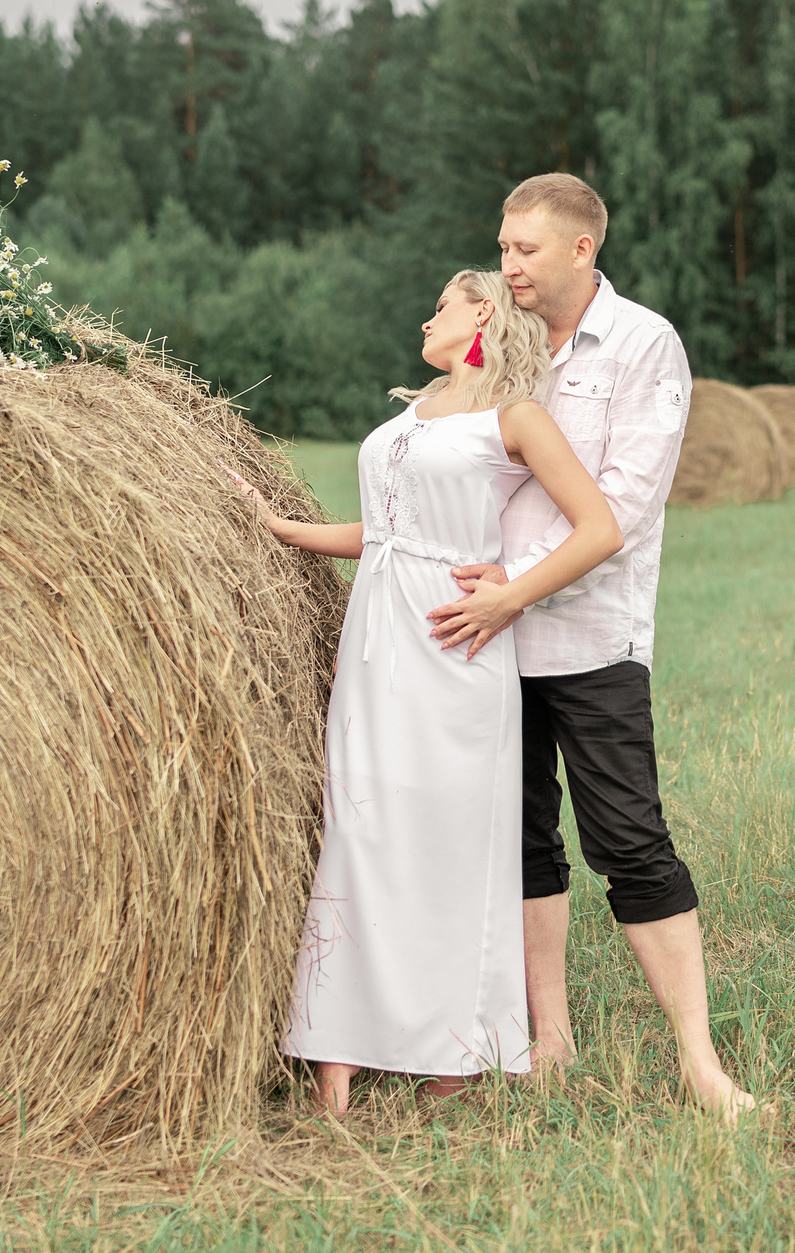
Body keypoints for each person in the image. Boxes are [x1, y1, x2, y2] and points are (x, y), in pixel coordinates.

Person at [235, 270, 623, 1116]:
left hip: (456, 646)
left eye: (441, 305)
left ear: (481, 312)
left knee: (451, 844)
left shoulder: (514, 415)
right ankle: (336, 1043)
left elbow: (600, 527)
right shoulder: (414, 414)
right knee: (361, 826)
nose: (426, 317)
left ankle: (456, 1045)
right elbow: (385, 530)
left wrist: (511, 593)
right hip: (377, 644)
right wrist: (280, 528)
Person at [430, 173, 757, 1120]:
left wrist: (508, 592)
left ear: (582, 249)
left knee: (629, 840)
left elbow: (619, 506)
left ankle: (703, 1065)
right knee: (522, 838)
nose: (507, 266)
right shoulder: (510, 344)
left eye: (525, 250)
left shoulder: (646, 345)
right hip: (489, 638)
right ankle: (551, 1039)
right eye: (501, 248)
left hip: (589, 634)